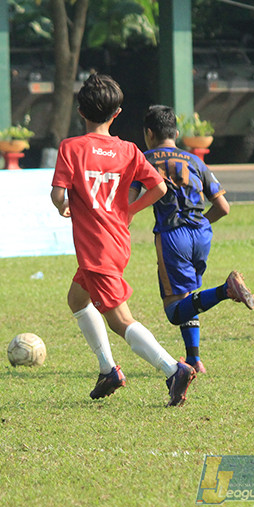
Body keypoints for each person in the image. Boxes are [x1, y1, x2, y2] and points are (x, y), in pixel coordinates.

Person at [50, 74, 195, 406]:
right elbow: (158, 188)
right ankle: (107, 370)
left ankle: (174, 369)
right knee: (77, 299)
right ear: (116, 114)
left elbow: (58, 194)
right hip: (116, 240)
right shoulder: (129, 150)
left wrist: (65, 206)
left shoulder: (71, 148)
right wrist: (128, 211)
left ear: (80, 111)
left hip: (96, 249)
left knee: (121, 320)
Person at [130, 105, 254, 375]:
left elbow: (129, 199)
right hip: (201, 233)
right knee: (189, 297)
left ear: (148, 133)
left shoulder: (145, 158)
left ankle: (226, 290)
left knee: (175, 311)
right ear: (175, 133)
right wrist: (198, 226)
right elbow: (223, 207)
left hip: (173, 235)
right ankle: (194, 358)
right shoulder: (195, 161)